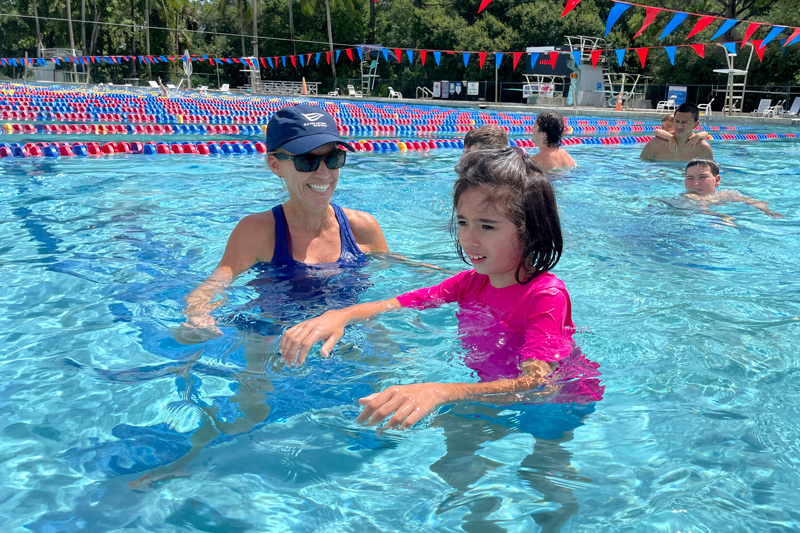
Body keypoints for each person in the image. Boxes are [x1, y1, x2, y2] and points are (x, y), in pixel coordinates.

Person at [279, 147, 603, 428]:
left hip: (560, 404)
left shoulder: (545, 295)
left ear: (531, 232)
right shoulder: (471, 283)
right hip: (494, 391)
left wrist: (441, 390)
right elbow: (404, 302)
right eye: (462, 222)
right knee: (455, 443)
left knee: (544, 467)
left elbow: (538, 385)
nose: (469, 239)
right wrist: (340, 316)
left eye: (487, 226)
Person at [174, 103, 389, 343]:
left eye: (333, 158)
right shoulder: (257, 231)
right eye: (306, 161)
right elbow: (217, 282)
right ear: (276, 165)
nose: (324, 173)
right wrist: (197, 314)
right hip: (275, 335)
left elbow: (394, 288)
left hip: (352, 333)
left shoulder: (362, 227)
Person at [683, 158, 783, 219]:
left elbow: (750, 200)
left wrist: (768, 211)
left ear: (717, 180)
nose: (696, 183)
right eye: (690, 178)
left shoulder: (724, 194)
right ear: (685, 182)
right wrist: (722, 217)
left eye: (702, 177)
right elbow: (703, 210)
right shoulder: (688, 197)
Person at [641, 102, 714, 162]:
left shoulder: (703, 149)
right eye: (677, 121)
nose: (679, 126)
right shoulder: (656, 143)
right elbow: (641, 167)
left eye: (685, 122)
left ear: (696, 124)